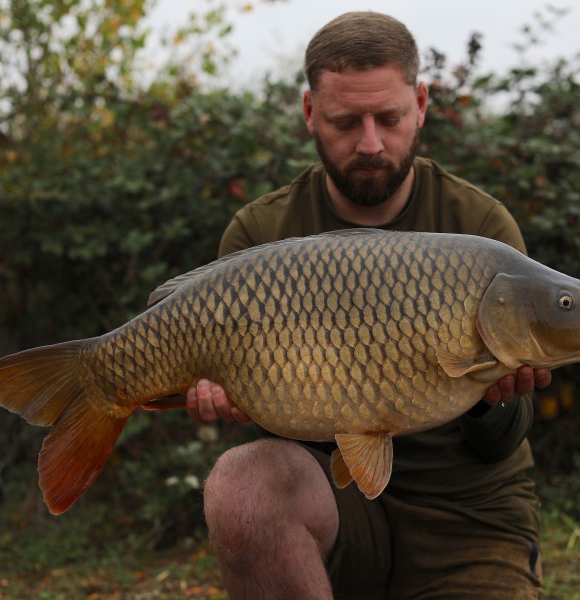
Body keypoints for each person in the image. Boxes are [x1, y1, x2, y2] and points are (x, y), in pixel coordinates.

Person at [186, 11, 552, 599]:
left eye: (389, 117)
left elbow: (500, 443)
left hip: (468, 518)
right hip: (334, 512)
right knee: (243, 483)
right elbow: (277, 434)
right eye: (344, 121)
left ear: (421, 103)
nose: (370, 143)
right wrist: (236, 399)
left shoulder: (479, 229)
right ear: (310, 113)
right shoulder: (261, 233)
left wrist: (494, 399)